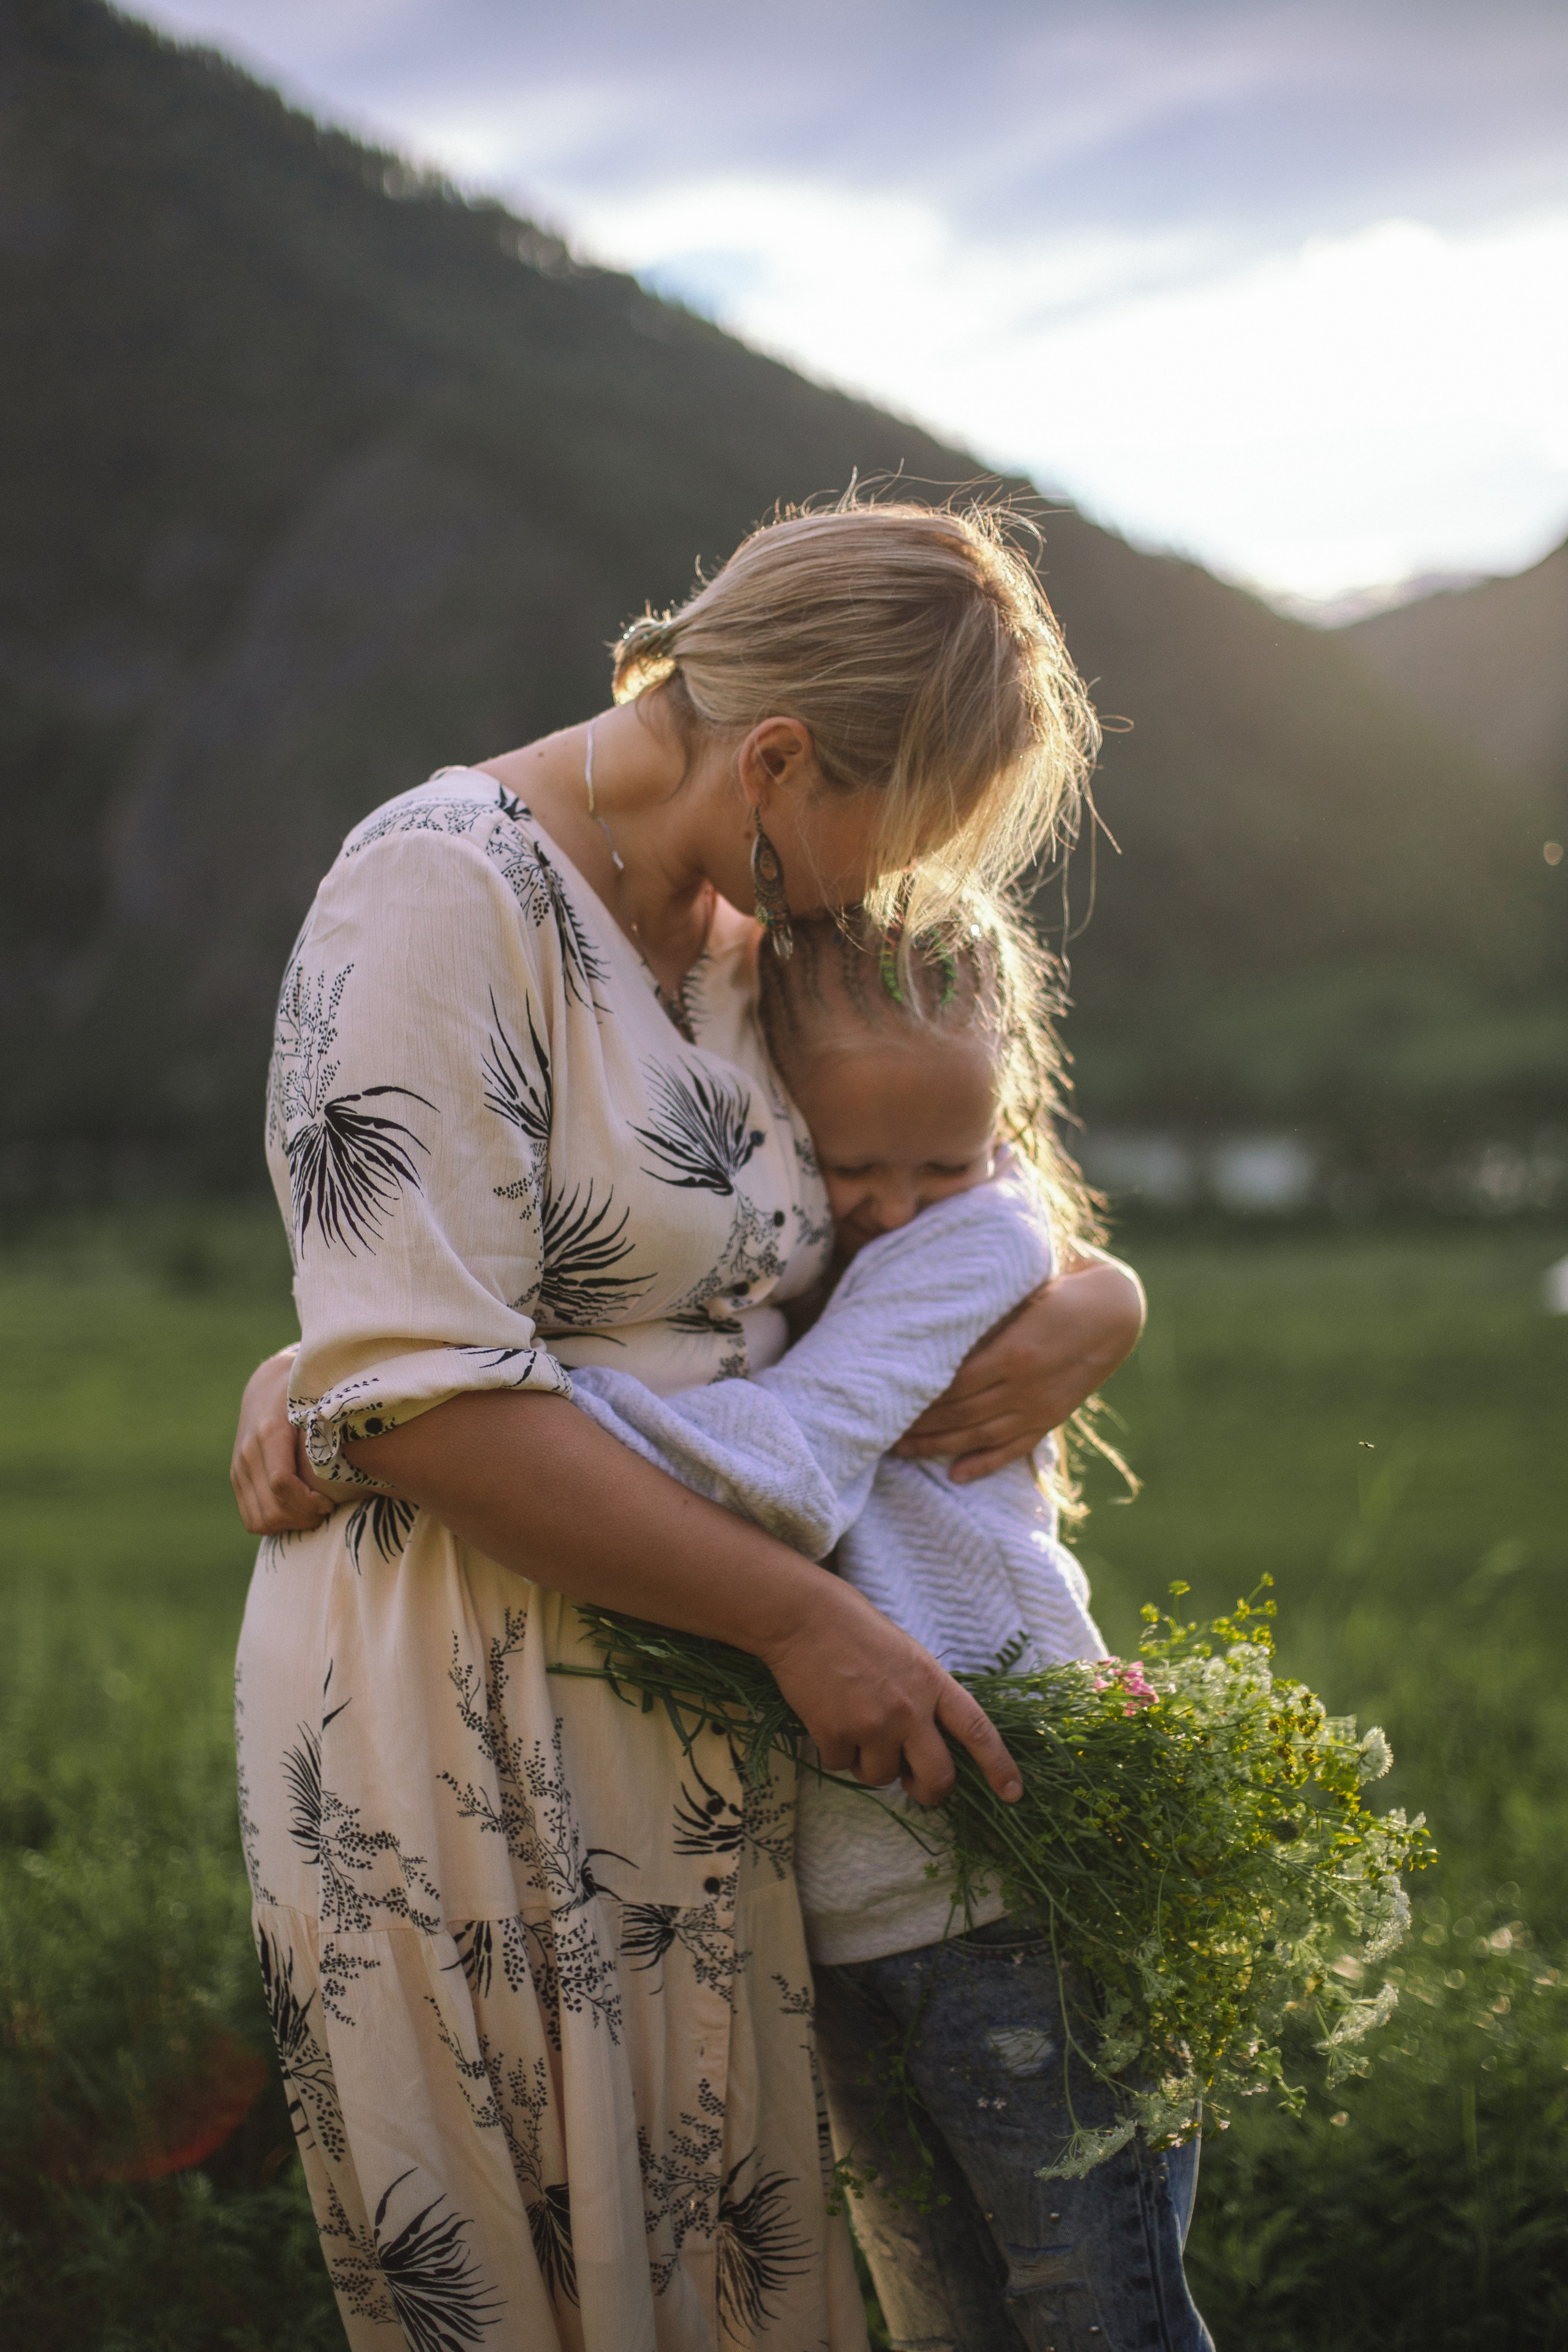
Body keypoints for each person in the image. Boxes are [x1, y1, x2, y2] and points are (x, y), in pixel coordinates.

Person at [230, 497, 1146, 2351]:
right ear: (780, 757)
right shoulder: (439, 887)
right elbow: (422, 1389)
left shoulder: (744, 938)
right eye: (880, 839)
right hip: (487, 1706)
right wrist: (810, 1621)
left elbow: (912, 1200)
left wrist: (1097, 1302)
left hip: (730, 1747)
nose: (873, 892)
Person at [511, 899, 1212, 2352]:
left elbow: (777, 1468)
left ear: (1004, 1113)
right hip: (849, 1906)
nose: (896, 1204)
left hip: (1010, 1886)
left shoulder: (971, 1244)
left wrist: (449, 1414)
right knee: (946, 2321)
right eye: (851, 1164)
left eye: (942, 1159)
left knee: (1099, 2320)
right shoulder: (762, 1269)